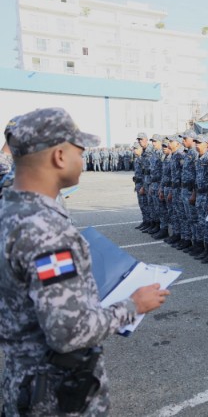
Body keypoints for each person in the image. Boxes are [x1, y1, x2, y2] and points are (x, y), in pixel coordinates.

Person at [0, 107, 169, 416]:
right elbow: (68, 332)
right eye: (80, 150)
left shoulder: (10, 211)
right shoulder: (46, 231)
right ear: (59, 156)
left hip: (23, 382)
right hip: (56, 395)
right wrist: (134, 305)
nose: (83, 158)